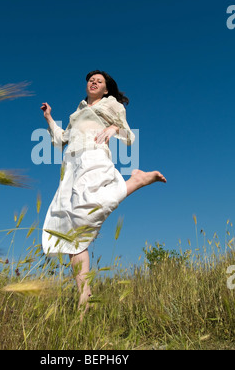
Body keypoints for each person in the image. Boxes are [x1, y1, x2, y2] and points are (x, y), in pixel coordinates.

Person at [40, 70, 166, 312]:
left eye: (99, 81)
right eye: (90, 80)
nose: (93, 82)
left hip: (94, 156)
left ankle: (135, 181)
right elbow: (61, 139)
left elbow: (128, 135)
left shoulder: (112, 105)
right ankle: (84, 296)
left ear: (106, 89)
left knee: (88, 211)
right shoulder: (76, 112)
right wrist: (48, 117)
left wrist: (113, 130)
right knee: (72, 231)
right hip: (70, 166)